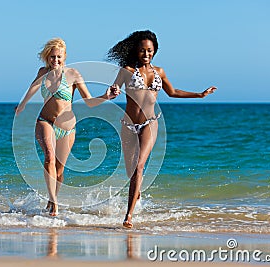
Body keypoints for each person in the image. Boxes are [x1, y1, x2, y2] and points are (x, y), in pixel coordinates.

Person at [106, 30, 217, 228]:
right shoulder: (126, 71)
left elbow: (172, 92)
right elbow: (114, 89)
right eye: (142, 50)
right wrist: (113, 91)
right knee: (131, 171)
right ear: (136, 51)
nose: (146, 54)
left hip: (150, 122)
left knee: (139, 166)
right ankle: (136, 190)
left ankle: (128, 216)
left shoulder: (160, 72)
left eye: (149, 50)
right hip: (128, 125)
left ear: (154, 50)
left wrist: (199, 95)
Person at [15, 38, 119, 216]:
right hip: (45, 121)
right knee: (49, 158)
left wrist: (105, 96)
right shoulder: (42, 72)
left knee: (60, 169)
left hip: (67, 127)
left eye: (59, 57)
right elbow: (33, 88)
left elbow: (89, 101)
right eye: (52, 57)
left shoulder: (73, 75)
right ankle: (54, 202)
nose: (55, 60)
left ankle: (51, 197)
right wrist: (22, 105)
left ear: (65, 57)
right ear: (47, 57)